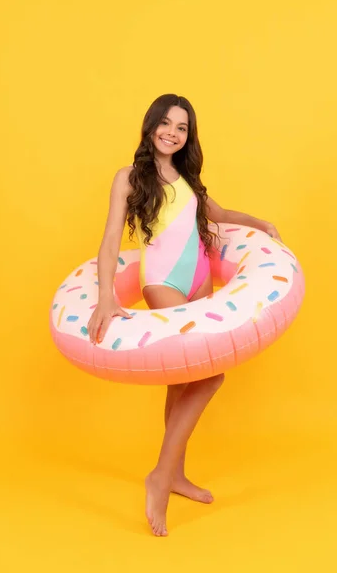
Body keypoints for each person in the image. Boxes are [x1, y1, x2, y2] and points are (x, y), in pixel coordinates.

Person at [87, 94, 282, 537]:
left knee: (182, 378)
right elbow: (112, 238)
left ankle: (174, 473)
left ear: (188, 136)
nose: (173, 133)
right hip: (164, 282)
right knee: (211, 373)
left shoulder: (189, 179)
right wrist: (104, 296)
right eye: (167, 124)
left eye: (182, 127)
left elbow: (223, 215)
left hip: (199, 280)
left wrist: (262, 223)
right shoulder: (130, 177)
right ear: (151, 125)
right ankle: (159, 475)